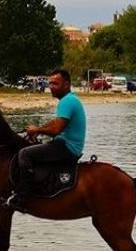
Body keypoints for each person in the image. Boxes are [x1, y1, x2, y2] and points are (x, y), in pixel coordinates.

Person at [6, 69, 86, 213]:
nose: (51, 87)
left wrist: (37, 130)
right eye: (50, 83)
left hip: (67, 147)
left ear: (66, 84)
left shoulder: (67, 101)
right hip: (65, 144)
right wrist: (37, 130)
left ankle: (22, 198)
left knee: (24, 154)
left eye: (55, 83)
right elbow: (56, 122)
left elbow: (56, 130)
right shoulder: (69, 100)